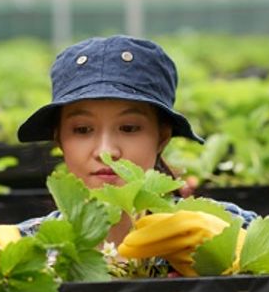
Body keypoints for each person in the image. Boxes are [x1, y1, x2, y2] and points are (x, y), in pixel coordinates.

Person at [13, 35, 256, 244]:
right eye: (83, 130)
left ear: (162, 137)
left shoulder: (229, 229)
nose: (106, 151)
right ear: (60, 140)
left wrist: (227, 252)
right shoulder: (28, 249)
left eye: (128, 128)